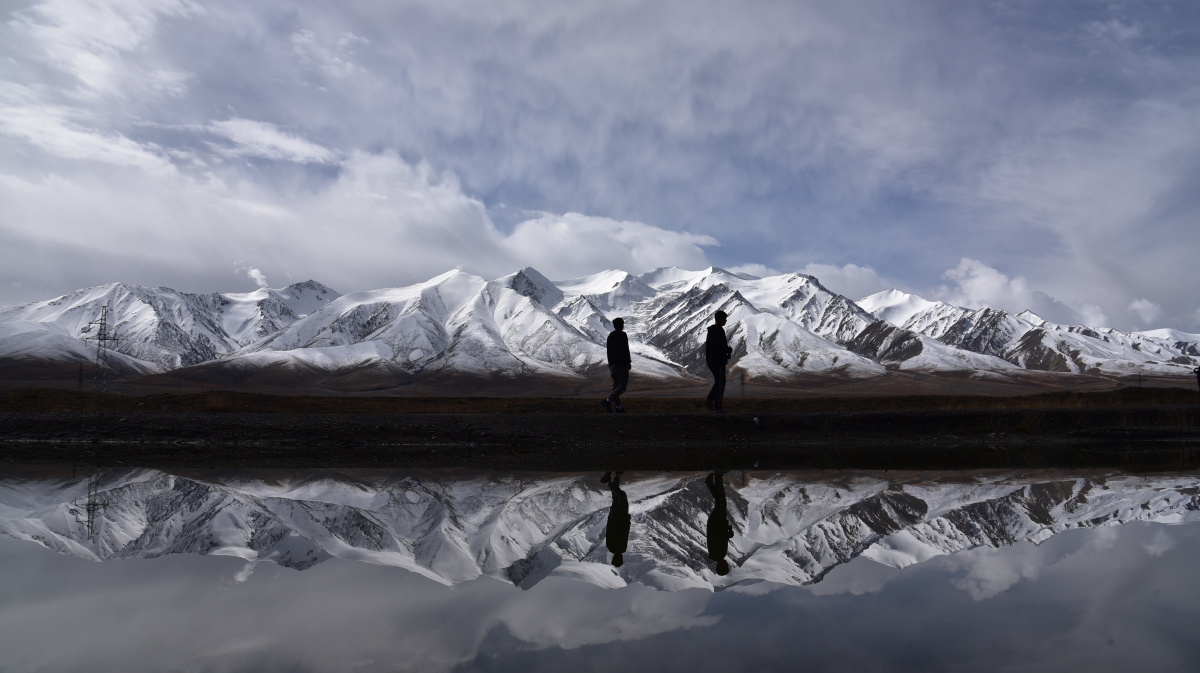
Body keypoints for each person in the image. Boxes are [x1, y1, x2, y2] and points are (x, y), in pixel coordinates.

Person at [705, 472, 733, 576]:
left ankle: (718, 476)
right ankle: (710, 482)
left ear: (721, 566)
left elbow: (720, 537)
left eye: (725, 566)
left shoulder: (720, 554)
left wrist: (729, 533)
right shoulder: (714, 555)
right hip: (714, 523)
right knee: (720, 501)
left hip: (718, 522)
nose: (727, 564)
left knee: (721, 500)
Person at [704, 310, 733, 412]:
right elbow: (720, 347)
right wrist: (727, 350)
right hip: (718, 361)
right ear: (720, 319)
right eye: (724, 319)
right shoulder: (719, 330)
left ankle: (711, 400)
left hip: (712, 361)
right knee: (721, 382)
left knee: (720, 381)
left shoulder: (711, 331)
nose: (725, 321)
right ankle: (717, 406)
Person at [602, 471, 630, 567]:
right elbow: (609, 530)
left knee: (622, 496)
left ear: (620, 558)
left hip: (621, 517)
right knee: (616, 497)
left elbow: (625, 532)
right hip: (613, 517)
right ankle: (616, 477)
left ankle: (607, 482)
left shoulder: (622, 548)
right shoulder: (610, 547)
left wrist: (628, 520)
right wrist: (610, 519)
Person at [602, 318, 631, 413]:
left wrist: (610, 364)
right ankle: (608, 401)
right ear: (621, 325)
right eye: (623, 324)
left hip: (612, 365)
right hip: (621, 364)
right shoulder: (622, 335)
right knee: (622, 386)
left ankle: (618, 408)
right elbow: (625, 350)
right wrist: (628, 362)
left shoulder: (610, 336)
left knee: (616, 387)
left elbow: (609, 352)